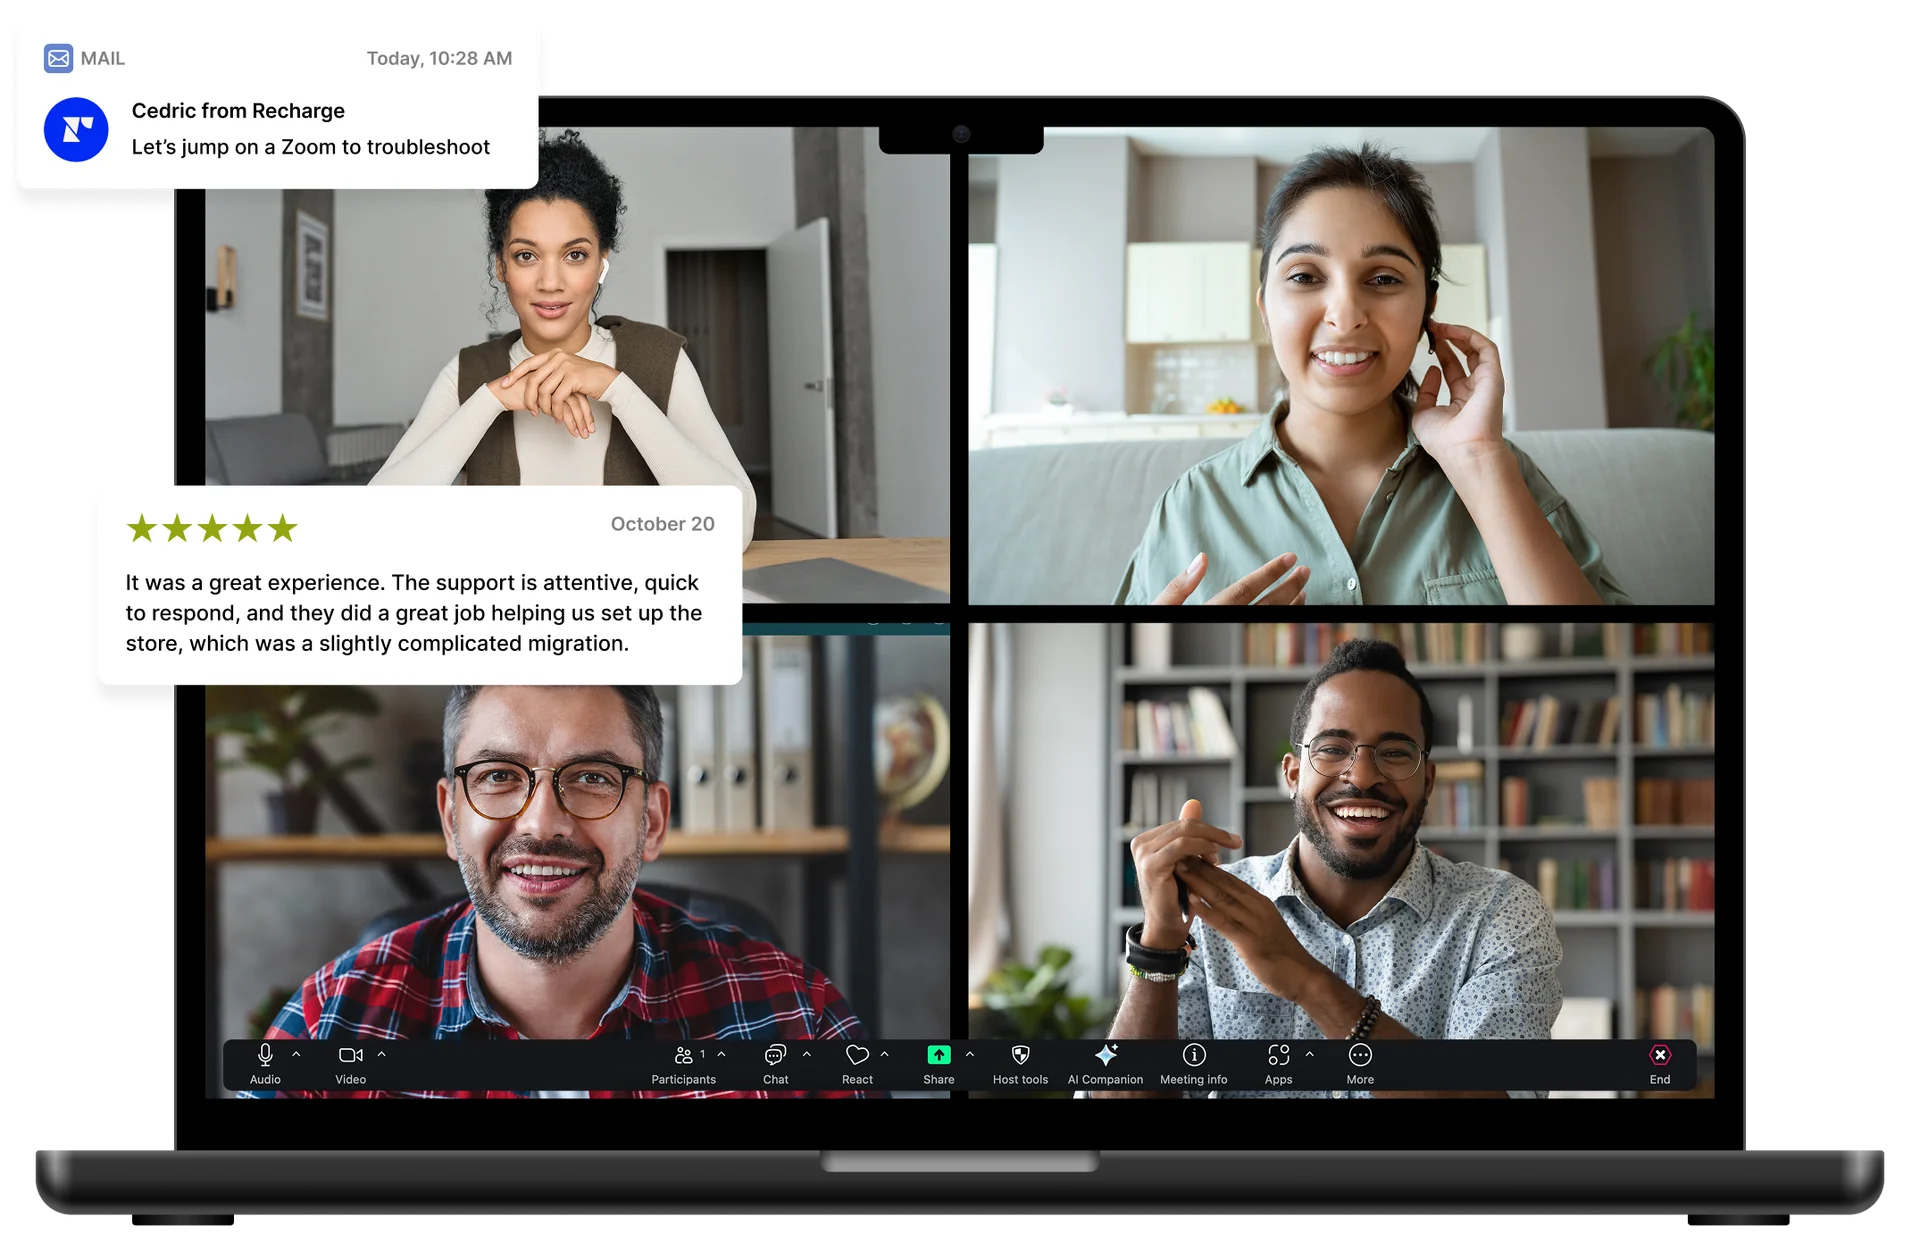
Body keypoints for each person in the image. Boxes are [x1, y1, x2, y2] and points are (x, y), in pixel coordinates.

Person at [241, 684, 879, 1098]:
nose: (542, 822)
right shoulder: (333, 1024)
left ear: (652, 820)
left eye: (594, 777)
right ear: (449, 817)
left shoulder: (795, 1019)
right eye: (496, 775)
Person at [1113, 143, 1629, 605]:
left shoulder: (1501, 470)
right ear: (1265, 307)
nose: (1345, 315)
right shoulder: (1190, 507)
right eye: (1305, 276)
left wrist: (1479, 461)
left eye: (1383, 278)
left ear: (1428, 307)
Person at [1094, 639, 1563, 1098]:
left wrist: (1307, 982)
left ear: (1428, 780)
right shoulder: (1210, 908)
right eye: (1333, 748)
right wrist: (1158, 947)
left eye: (1396, 753)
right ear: (1294, 774)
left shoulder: (1499, 913)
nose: (1361, 777)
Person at [370, 130, 758, 552]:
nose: (550, 282)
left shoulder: (659, 360)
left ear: (601, 264)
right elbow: (376, 525)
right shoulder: (468, 374)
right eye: (526, 255)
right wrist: (492, 400)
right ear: (501, 266)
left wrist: (618, 390)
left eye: (575, 255)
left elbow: (734, 529)